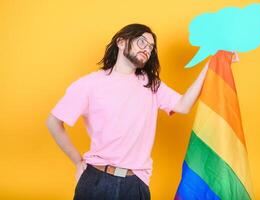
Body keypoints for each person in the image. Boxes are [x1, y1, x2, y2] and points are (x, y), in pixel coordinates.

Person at [46, 23, 209, 200]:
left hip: (135, 184)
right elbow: (53, 122)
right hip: (95, 180)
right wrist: (77, 161)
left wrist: (211, 66)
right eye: (142, 42)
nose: (147, 49)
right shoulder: (89, 84)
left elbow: (183, 105)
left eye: (151, 47)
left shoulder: (151, 85)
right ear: (121, 42)